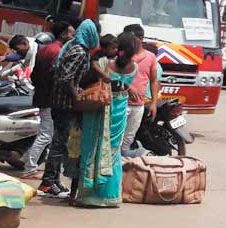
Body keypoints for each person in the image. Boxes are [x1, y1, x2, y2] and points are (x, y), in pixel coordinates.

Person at [74, 36, 135, 209]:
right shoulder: (134, 68)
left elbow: (84, 81)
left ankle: (89, 196)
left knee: (92, 147)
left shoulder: (102, 64)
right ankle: (111, 195)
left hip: (99, 108)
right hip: (120, 110)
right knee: (113, 151)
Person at [40, 19, 97, 198]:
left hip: (61, 102)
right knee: (59, 143)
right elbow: (66, 78)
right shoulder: (79, 51)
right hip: (64, 104)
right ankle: (48, 182)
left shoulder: (75, 47)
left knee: (61, 143)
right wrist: (76, 95)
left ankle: (54, 181)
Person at [21, 21, 71, 180]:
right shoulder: (59, 52)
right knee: (45, 135)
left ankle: (26, 159)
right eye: (71, 34)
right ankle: (29, 167)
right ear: (63, 35)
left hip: (42, 97)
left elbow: (34, 76)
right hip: (51, 99)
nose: (73, 37)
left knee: (46, 134)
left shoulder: (45, 50)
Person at [118, 24, 159, 156]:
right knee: (115, 140)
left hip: (138, 106)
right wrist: (128, 87)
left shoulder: (151, 57)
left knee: (127, 140)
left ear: (140, 38)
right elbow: (113, 76)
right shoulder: (123, 55)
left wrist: (153, 102)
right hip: (121, 104)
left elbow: (154, 81)